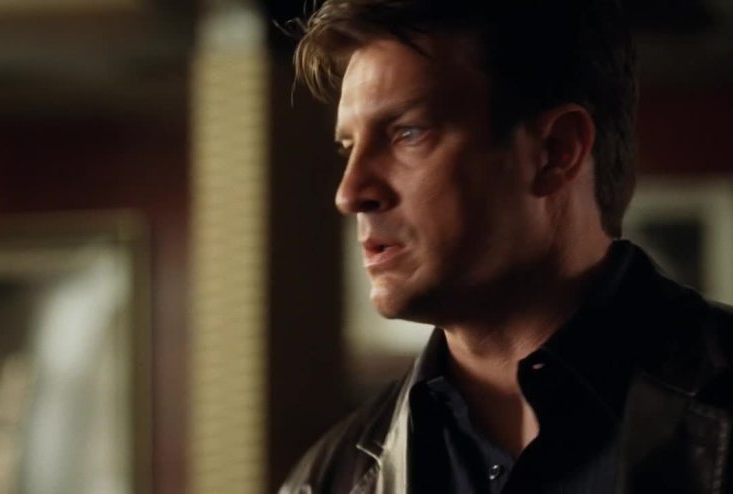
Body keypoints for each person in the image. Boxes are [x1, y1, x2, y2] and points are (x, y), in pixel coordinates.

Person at [280, 0, 733, 492]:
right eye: (348, 147)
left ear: (555, 151)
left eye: (407, 133)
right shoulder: (330, 479)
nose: (349, 193)